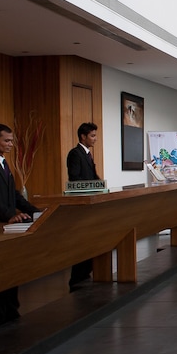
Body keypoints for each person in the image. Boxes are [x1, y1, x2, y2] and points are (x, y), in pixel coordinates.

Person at [0, 123, 40, 328]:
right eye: (7, 141)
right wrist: (9, 215)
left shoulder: (4, 164)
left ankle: (11, 310)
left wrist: (35, 211)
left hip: (8, 228)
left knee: (10, 269)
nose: (11, 144)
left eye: (12, 141)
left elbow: (14, 196)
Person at [66, 122, 99, 290]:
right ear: (83, 137)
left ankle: (86, 273)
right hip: (82, 204)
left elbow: (94, 177)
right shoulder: (75, 154)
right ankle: (78, 278)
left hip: (91, 203)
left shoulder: (87, 154)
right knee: (83, 242)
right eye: (92, 136)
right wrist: (94, 186)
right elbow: (74, 179)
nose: (95, 139)